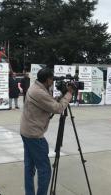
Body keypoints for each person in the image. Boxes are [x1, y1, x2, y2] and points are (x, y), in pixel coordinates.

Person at [20, 67, 73, 195]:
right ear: (48, 79)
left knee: (29, 167)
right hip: (34, 135)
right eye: (52, 79)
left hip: (27, 131)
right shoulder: (39, 92)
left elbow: (48, 103)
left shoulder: (37, 88)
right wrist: (69, 94)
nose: (53, 81)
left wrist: (61, 96)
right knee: (45, 170)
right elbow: (58, 108)